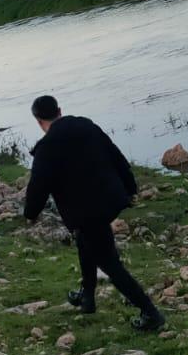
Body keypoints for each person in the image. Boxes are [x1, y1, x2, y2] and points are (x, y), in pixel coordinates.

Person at [23, 95, 165, 332]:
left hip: (86, 210)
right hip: (109, 199)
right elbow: (115, 154)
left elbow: (38, 185)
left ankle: (151, 313)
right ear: (60, 110)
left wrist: (30, 213)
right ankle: (87, 297)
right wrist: (130, 188)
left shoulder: (46, 148)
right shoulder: (86, 125)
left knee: (108, 262)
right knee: (84, 240)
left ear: (38, 121)